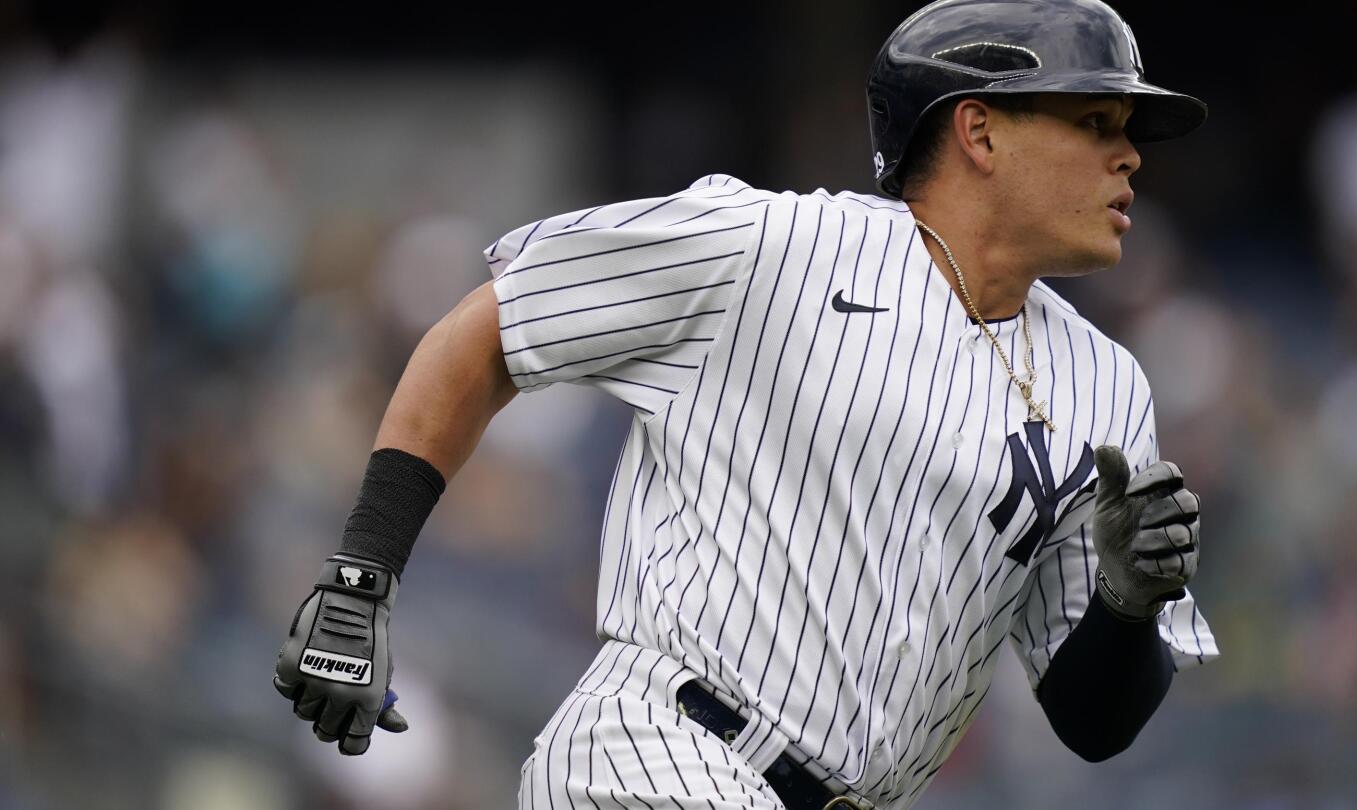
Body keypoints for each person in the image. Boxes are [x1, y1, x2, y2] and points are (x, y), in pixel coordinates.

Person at [273, 1, 1218, 806]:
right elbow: (491, 333)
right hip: (659, 758)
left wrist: (1128, 605)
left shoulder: (1106, 385)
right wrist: (361, 577)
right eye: (1096, 123)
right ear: (979, 131)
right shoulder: (774, 244)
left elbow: (1091, 721)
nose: (1129, 156)